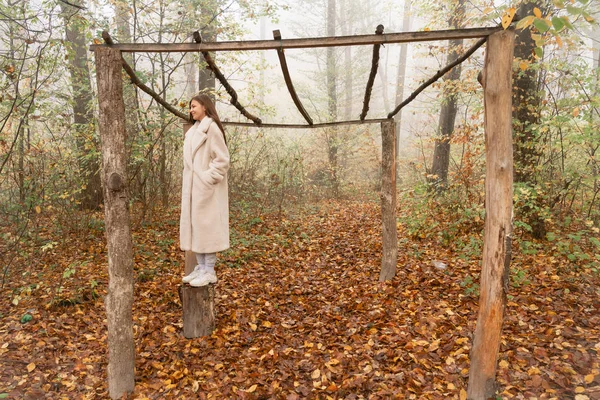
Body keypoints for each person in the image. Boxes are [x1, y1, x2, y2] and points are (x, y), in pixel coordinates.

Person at [180, 94, 230, 287]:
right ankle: (201, 267)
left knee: (207, 229)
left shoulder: (212, 128)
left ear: (205, 107)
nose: (191, 110)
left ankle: (209, 270)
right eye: (191, 107)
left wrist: (207, 179)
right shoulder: (193, 131)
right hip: (194, 189)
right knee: (197, 228)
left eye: (194, 106)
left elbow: (222, 159)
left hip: (206, 189)